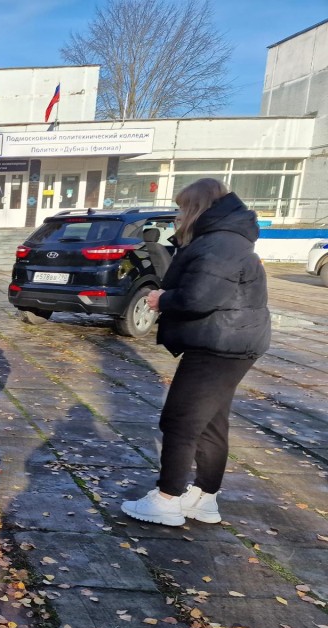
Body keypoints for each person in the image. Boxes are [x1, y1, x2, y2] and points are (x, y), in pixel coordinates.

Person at [122, 178, 271, 527]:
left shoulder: (217, 244)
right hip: (234, 341)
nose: (177, 215)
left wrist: (162, 299)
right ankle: (204, 498)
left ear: (196, 208)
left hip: (218, 343)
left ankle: (166, 499)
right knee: (211, 424)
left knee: (180, 421)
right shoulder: (229, 238)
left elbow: (198, 297)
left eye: (181, 208)